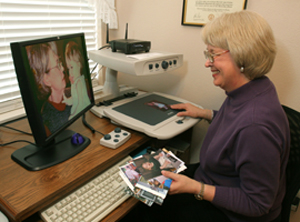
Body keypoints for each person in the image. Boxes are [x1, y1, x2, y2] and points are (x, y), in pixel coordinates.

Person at [122, 10, 290, 222]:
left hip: (231, 212)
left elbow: (257, 204)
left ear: (241, 55)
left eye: (213, 55)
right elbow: (237, 124)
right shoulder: (254, 88)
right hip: (213, 179)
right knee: (144, 189)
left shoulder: (256, 126)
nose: (207, 63)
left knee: (139, 211)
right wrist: (205, 113)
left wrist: (196, 188)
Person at [26, 42, 71, 136]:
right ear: (46, 80)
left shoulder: (70, 94)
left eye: (60, 62)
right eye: (57, 65)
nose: (62, 68)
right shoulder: (48, 120)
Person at [63, 41, 90, 119]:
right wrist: (68, 100)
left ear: (79, 65)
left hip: (83, 109)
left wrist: (73, 116)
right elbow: (76, 98)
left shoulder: (79, 82)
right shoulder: (75, 82)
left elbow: (81, 104)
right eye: (68, 69)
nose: (70, 72)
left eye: (71, 67)